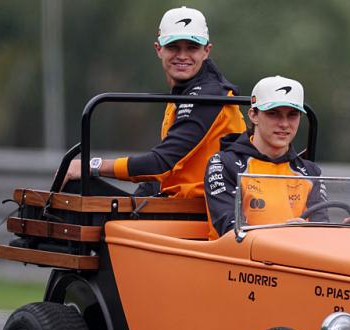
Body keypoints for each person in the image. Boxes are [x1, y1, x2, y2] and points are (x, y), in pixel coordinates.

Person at [63, 6, 246, 198]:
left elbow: (161, 163)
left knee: (75, 186)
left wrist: (92, 165)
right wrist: (138, 199)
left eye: (192, 47)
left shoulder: (208, 95)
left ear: (206, 51)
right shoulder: (183, 92)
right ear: (159, 49)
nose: (182, 56)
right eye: (173, 47)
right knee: (74, 186)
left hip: (206, 209)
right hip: (180, 204)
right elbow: (167, 171)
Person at [204, 76, 329, 240]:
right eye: (273, 114)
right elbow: (232, 231)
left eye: (292, 115)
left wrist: (344, 231)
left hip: (297, 254)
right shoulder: (223, 164)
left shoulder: (311, 171)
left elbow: (322, 231)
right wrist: (286, 235)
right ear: (253, 115)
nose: (284, 124)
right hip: (240, 256)